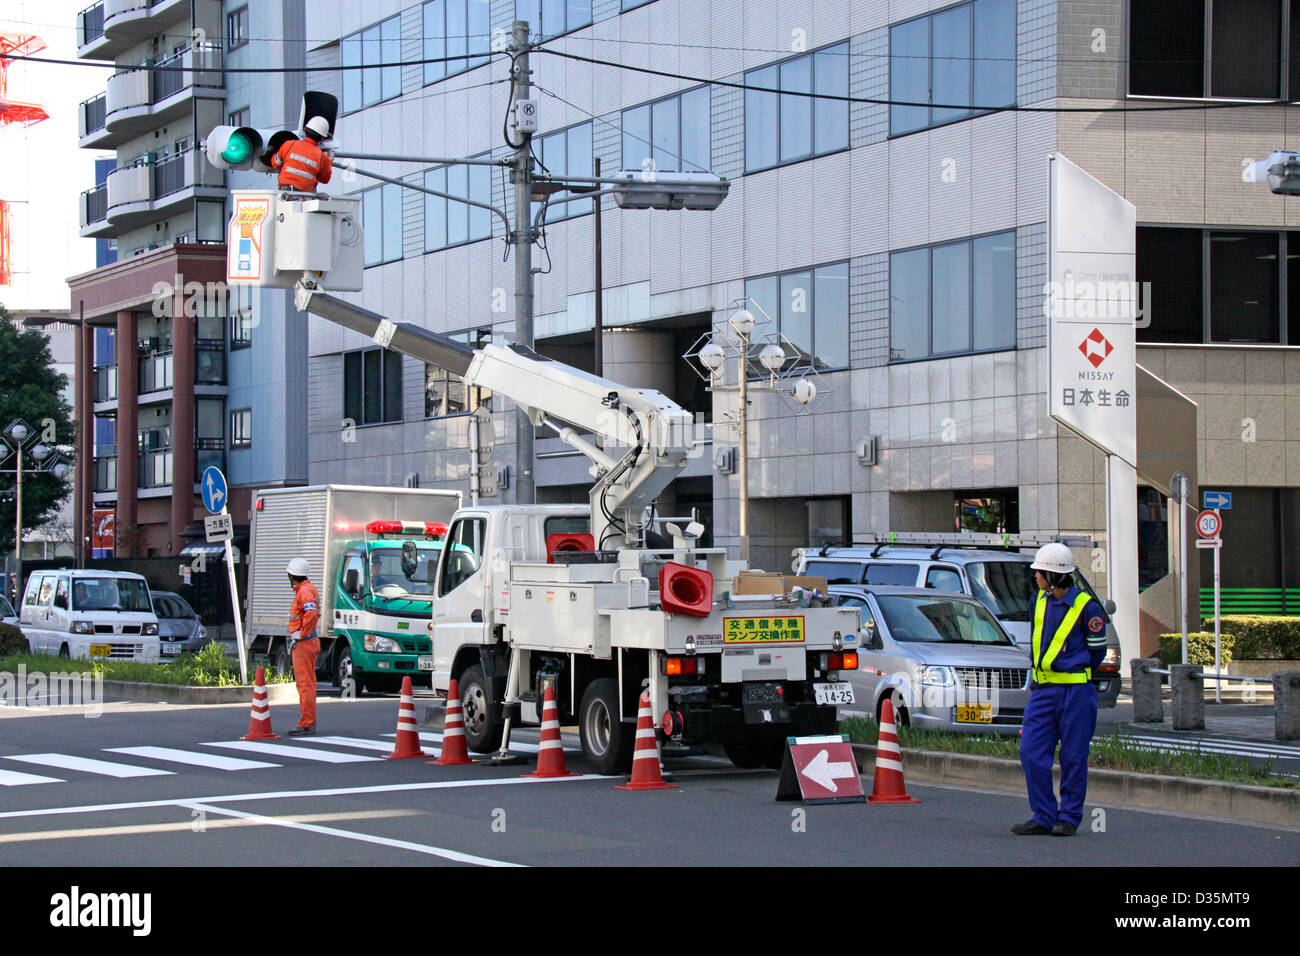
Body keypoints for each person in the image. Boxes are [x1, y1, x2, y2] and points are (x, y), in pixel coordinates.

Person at [1011, 542, 1109, 837]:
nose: (1035, 578)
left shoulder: (1086, 607)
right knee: (1031, 752)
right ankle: (1043, 814)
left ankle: (1068, 817)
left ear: (1053, 576)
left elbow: (1097, 653)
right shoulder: (1037, 601)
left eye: (1039, 573)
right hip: (1042, 692)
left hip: (1077, 693)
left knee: (1073, 756)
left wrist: (1071, 668)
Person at [285, 557, 320, 736]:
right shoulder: (308, 589)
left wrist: (302, 632)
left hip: (304, 642)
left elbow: (311, 614)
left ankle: (307, 722)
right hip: (309, 641)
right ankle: (308, 720)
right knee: (308, 683)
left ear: (292, 575)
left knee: (304, 683)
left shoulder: (303, 591)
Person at [271, 115, 333, 194]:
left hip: (285, 193)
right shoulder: (322, 157)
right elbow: (325, 179)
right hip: (305, 198)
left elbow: (275, 163)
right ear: (322, 138)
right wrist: (330, 160)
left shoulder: (290, 144)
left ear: (305, 130)